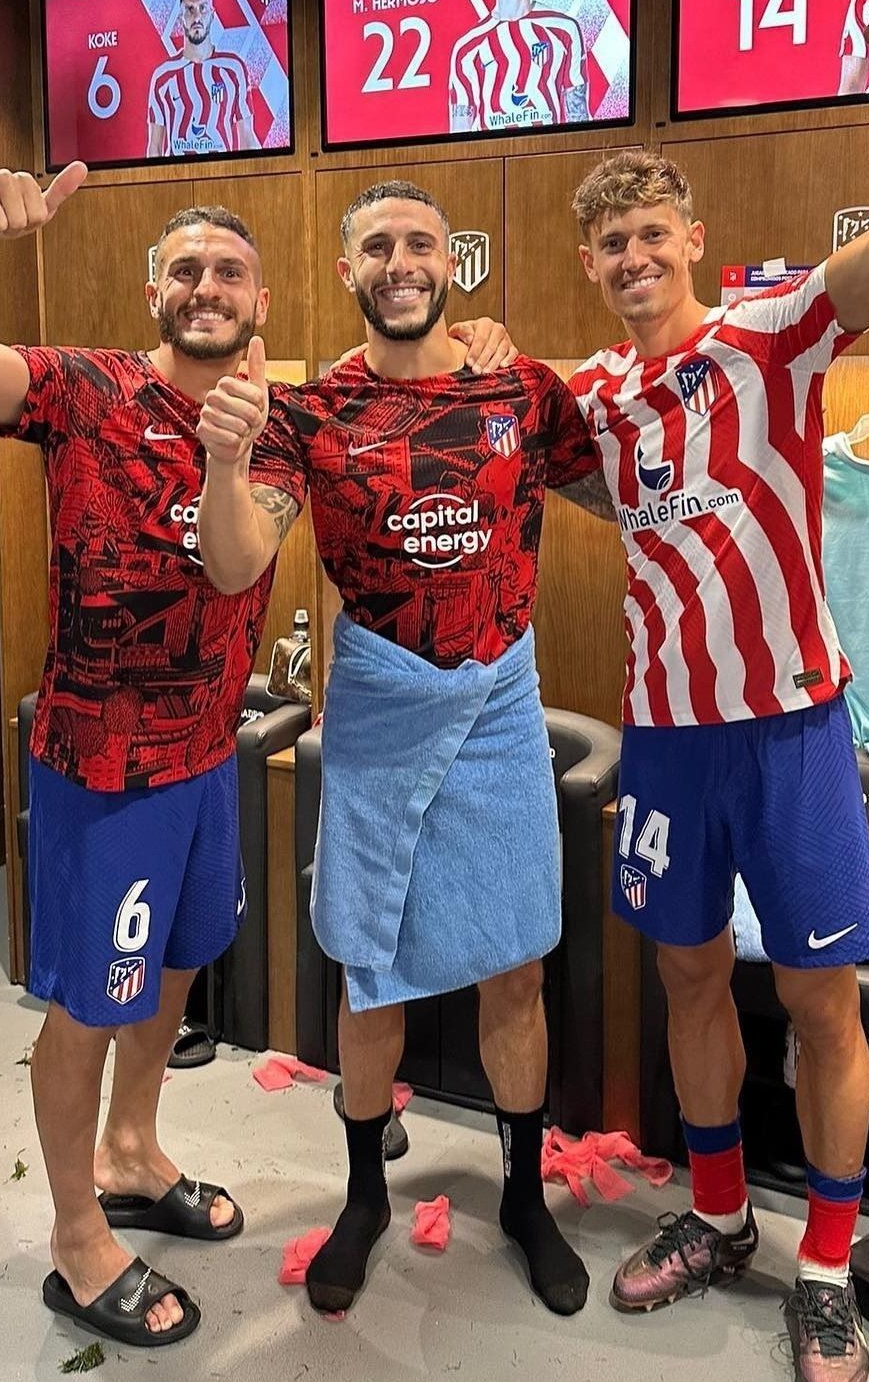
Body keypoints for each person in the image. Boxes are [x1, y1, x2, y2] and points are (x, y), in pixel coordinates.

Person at [0, 163, 514, 1348]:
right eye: (184, 270)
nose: (206, 287)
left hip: (203, 758)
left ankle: (132, 1150)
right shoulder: (85, 390)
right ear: (154, 293)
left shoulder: (276, 420)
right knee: (88, 1003)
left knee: (177, 967)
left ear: (263, 300)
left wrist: (486, 339)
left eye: (228, 271)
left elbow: (395, 411)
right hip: (99, 770)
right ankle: (76, 1234)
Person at [565, 0, 869, 1381]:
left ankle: (824, 1264)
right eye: (608, 243)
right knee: (685, 981)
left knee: (818, 1000)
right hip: (666, 739)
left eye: (648, 233)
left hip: (790, 726)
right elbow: (526, 453)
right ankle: (721, 1215)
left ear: (692, 240)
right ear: (590, 264)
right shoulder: (591, 399)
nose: (631, 258)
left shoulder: (772, 333)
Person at [195, 179, 609, 1319]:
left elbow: (630, 495)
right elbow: (236, 564)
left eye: (419, 242)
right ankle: (363, 1196)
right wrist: (224, 463)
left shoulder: (519, 390)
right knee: (367, 970)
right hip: (379, 715)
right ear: (348, 272)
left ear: (450, 260)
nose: (400, 262)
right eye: (376, 246)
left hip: (499, 707)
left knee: (515, 967)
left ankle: (522, 1196)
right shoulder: (308, 412)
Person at [449, 0, 588, 133]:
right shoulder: (467, 47)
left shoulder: (564, 29)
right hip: (491, 151)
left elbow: (579, 121)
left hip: (550, 148)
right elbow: (460, 133)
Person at [148, 0, 257, 157]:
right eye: (190, 9)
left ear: (212, 14)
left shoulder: (233, 68)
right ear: (181, 18)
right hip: (177, 174)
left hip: (224, 173)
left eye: (203, 8)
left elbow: (247, 138)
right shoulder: (163, 75)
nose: (197, 16)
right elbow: (155, 147)